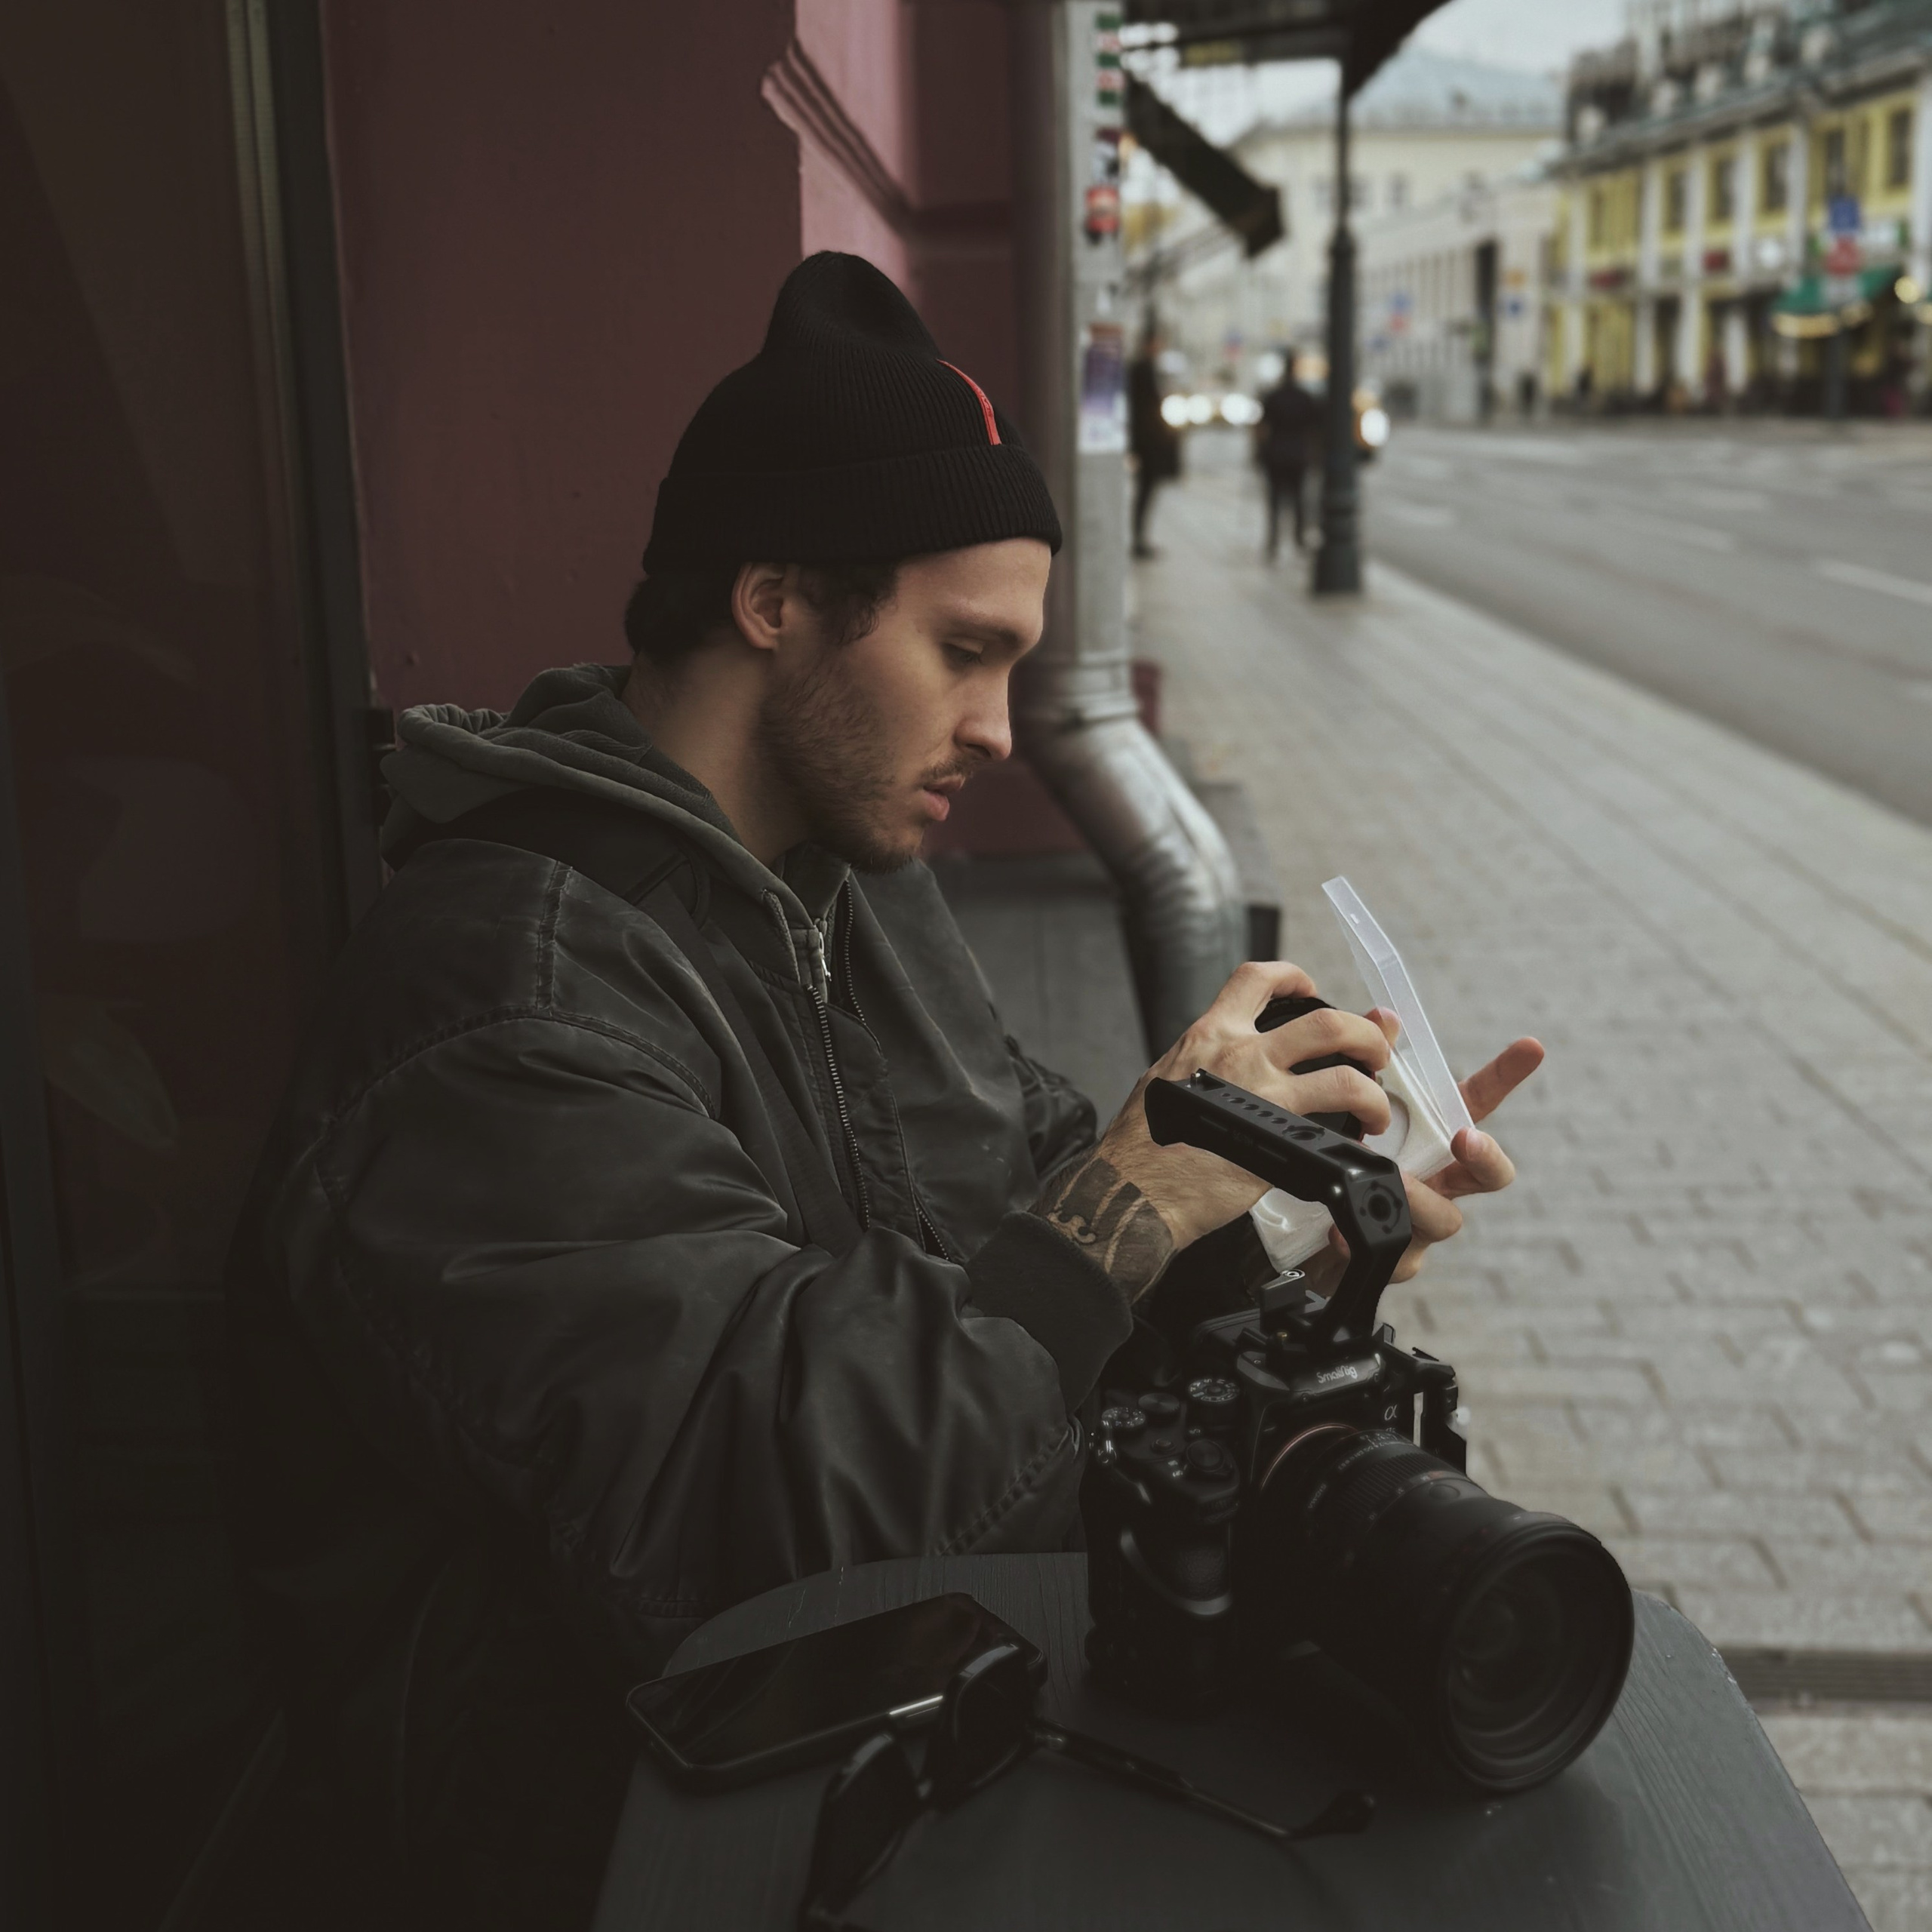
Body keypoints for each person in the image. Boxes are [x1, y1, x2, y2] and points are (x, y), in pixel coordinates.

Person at [226, 253, 1540, 1927]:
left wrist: (1292, 1240)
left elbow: (1030, 1257)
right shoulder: (500, 999)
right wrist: (1127, 1197)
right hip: (602, 1827)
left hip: (895, 1720)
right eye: (961, 652)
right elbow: (780, 1530)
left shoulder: (852, 885)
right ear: (774, 598)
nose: (998, 730)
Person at [1257, 352, 1321, 560]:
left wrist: (1258, 453)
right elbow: (1314, 427)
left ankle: (1274, 540)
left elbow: (1263, 427)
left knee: (1275, 499)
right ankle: (1298, 539)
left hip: (1276, 452)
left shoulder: (1273, 396)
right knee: (1298, 499)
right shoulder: (1304, 397)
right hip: (1297, 453)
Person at [1127, 325, 1180, 558]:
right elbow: (1146, 409)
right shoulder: (1143, 369)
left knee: (1146, 492)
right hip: (1147, 443)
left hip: (1144, 441)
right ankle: (1138, 539)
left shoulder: (1146, 368)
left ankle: (1140, 538)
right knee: (1145, 491)